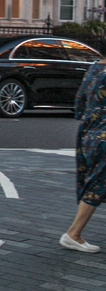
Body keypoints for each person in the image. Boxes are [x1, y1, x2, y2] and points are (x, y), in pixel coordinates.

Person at [60, 60, 106, 253]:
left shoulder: (94, 68)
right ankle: (73, 233)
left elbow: (80, 101)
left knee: (97, 180)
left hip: (88, 131)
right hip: (103, 135)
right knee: (98, 183)